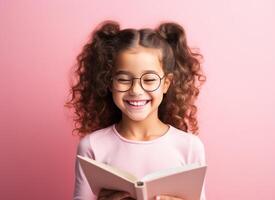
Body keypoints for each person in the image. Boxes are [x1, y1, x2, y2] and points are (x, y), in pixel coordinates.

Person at [65, 20, 207, 200]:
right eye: (124, 79)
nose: (136, 90)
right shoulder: (92, 147)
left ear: (165, 84)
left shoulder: (189, 147)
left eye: (149, 80)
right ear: (110, 83)